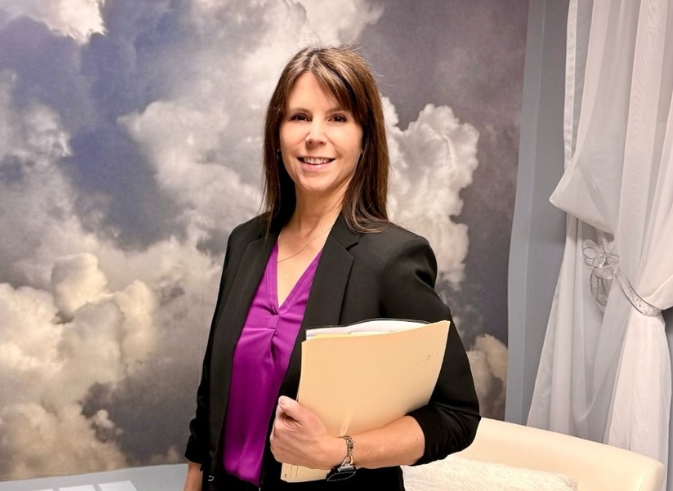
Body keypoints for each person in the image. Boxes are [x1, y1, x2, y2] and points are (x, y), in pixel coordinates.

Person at [183, 46, 480, 490]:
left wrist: (338, 451)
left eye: (338, 118)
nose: (314, 136)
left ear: (365, 139)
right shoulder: (245, 242)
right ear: (277, 134)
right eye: (299, 117)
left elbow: (455, 415)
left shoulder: (392, 259)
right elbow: (211, 396)